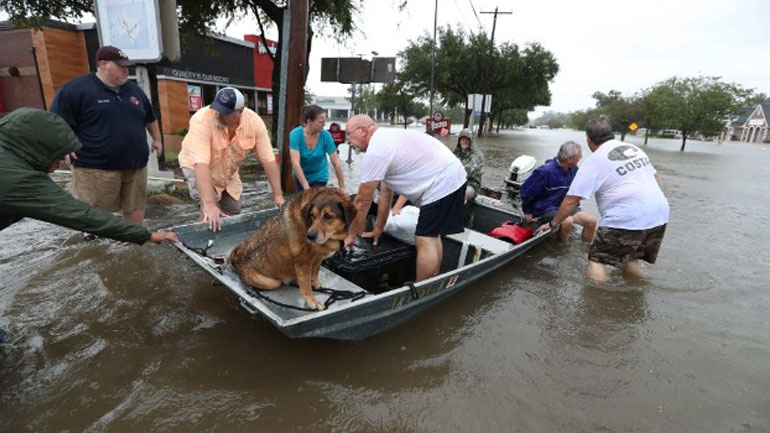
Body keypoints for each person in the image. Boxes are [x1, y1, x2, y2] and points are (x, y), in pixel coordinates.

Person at [0, 107, 178, 245]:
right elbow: (79, 215)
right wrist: (148, 235)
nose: (63, 161)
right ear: (37, 147)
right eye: (59, 154)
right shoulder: (15, 178)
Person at [540, 116, 670, 282]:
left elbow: (571, 200)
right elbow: (656, 177)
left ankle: (596, 301)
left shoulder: (593, 161)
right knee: (632, 257)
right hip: (659, 214)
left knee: (597, 260)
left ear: (588, 140)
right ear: (611, 134)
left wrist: (553, 223)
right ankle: (631, 295)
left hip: (626, 216)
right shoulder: (633, 149)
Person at [343, 114, 467, 282]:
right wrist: (378, 229)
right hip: (453, 177)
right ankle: (434, 278)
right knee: (432, 234)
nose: (347, 141)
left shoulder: (376, 151)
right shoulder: (386, 140)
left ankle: (422, 290)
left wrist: (350, 235)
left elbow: (362, 201)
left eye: (349, 135)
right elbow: (386, 194)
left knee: (424, 238)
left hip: (442, 182)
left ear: (363, 130)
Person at [49, 45, 162, 227]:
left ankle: (134, 244)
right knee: (94, 217)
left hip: (135, 167)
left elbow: (150, 117)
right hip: (95, 169)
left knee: (135, 210)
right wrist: (63, 147)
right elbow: (56, 122)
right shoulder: (76, 90)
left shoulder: (134, 90)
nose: (126, 71)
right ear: (103, 64)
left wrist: (157, 139)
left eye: (127, 67)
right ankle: (93, 247)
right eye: (121, 67)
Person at [178, 87, 284, 232]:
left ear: (240, 111)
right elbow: (201, 163)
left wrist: (278, 196)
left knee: (233, 208)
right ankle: (206, 239)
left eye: (226, 112)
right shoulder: (202, 119)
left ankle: (228, 238)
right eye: (218, 109)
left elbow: (268, 160)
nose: (220, 114)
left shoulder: (254, 122)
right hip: (196, 166)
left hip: (227, 169)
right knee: (210, 207)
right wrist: (209, 203)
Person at [521, 140, 597, 242]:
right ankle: (562, 248)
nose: (581, 158)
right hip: (546, 208)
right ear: (569, 159)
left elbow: (576, 192)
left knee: (591, 221)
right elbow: (526, 191)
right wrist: (528, 211)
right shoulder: (544, 172)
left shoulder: (574, 170)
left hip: (565, 206)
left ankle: (586, 248)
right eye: (579, 156)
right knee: (568, 221)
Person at [289, 105, 346, 193]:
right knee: (303, 202)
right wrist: (306, 187)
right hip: (301, 175)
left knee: (317, 201)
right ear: (309, 121)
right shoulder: (295, 134)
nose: (324, 124)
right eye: (320, 122)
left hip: (320, 176)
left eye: (325, 121)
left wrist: (342, 187)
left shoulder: (326, 136)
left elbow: (336, 162)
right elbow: (295, 163)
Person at [453, 128, 485, 202]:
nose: (465, 141)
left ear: (471, 141)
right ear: (459, 141)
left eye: (467, 139)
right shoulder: (455, 154)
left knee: (461, 194)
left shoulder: (478, 155)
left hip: (471, 185)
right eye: (462, 139)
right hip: (455, 183)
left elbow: (469, 171)